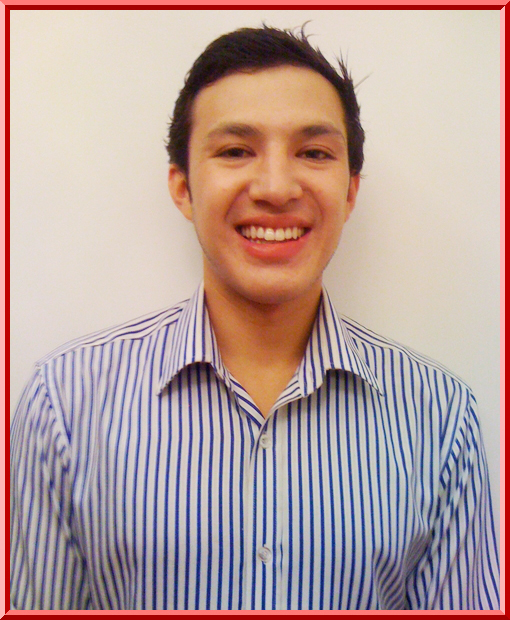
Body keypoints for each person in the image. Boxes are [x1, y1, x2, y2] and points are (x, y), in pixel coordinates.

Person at [10, 25, 499, 611]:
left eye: (313, 153)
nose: (275, 188)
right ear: (183, 188)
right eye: (236, 151)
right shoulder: (66, 404)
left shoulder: (439, 417)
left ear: (350, 191)